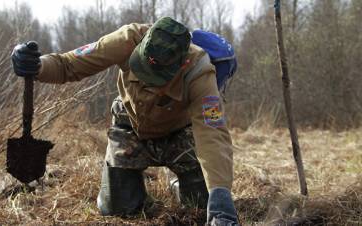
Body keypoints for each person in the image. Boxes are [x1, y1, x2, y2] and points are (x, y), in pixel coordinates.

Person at [12, 17, 239, 226]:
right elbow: (70, 64)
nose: (145, 81)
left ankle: (179, 185)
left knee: (201, 205)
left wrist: (221, 195)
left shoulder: (200, 72)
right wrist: (37, 66)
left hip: (179, 133)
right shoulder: (126, 39)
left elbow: (213, 133)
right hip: (132, 128)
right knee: (118, 209)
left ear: (181, 66)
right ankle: (132, 189)